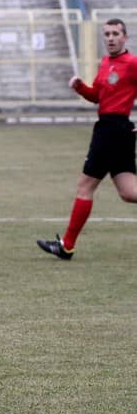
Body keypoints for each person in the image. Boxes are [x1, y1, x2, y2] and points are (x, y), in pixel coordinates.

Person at [37, 18, 137, 259]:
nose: (110, 38)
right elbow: (97, 97)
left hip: (112, 131)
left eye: (115, 34)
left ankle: (66, 246)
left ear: (125, 37)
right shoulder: (106, 63)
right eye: (107, 34)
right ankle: (66, 246)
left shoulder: (132, 63)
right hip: (114, 130)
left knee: (85, 186)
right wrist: (80, 86)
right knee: (129, 192)